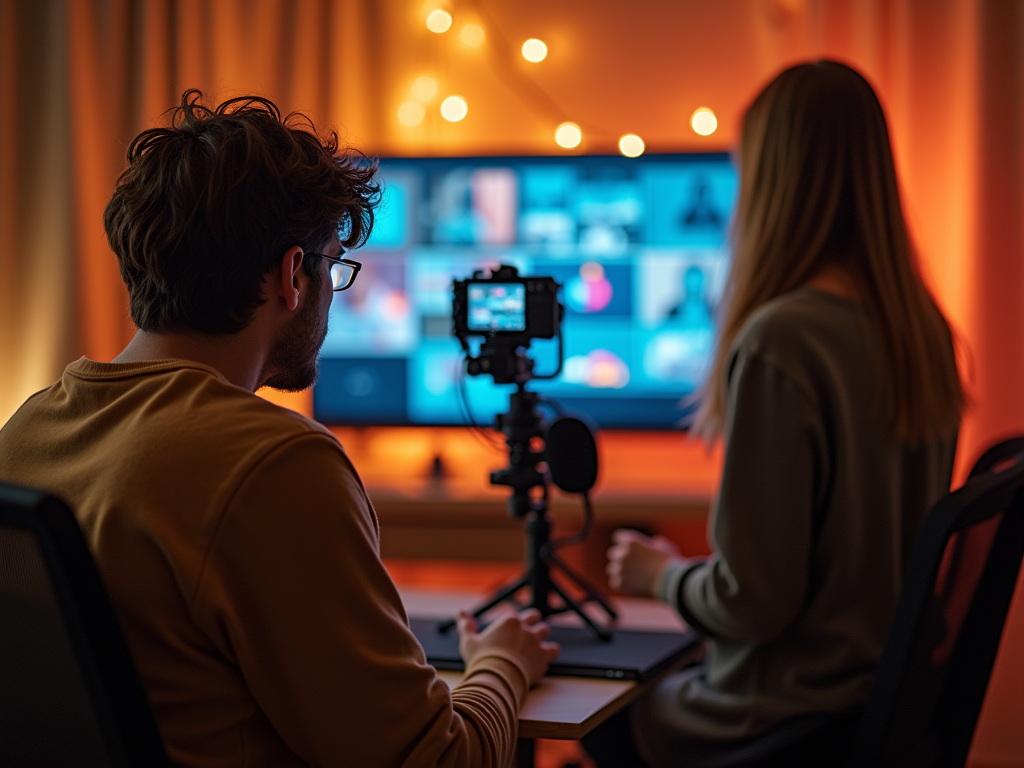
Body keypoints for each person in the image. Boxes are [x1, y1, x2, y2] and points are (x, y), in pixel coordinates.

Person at [0, 91, 558, 768]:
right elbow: (434, 761)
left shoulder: (29, 427)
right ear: (293, 274)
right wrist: (500, 666)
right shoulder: (275, 463)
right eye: (334, 270)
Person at [589, 61, 963, 767]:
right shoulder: (923, 331)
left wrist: (658, 577)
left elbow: (755, 603)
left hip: (773, 717)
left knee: (578, 703)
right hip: (873, 709)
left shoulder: (781, 339)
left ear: (771, 180)